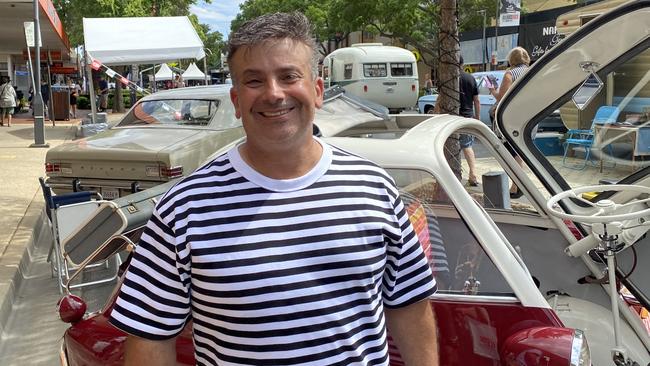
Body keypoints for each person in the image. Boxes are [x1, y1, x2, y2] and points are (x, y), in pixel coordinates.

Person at [110, 12, 439, 366]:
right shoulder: (183, 208)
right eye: (254, 81)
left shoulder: (374, 187)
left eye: (288, 76)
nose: (273, 93)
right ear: (236, 101)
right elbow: (149, 339)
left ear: (316, 91)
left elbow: (409, 307)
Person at [488, 46, 530, 198]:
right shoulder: (531, 71)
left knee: (510, 151)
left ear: (511, 59)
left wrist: (492, 89)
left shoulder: (510, 74)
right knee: (518, 150)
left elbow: (501, 97)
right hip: (528, 116)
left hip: (511, 118)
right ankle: (518, 184)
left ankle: (517, 185)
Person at [458, 56, 480, 186]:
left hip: (451, 117)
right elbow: (476, 100)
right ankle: (473, 174)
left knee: (448, 147)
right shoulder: (470, 78)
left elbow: (440, 99)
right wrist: (477, 118)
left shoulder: (449, 79)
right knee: (467, 146)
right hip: (467, 116)